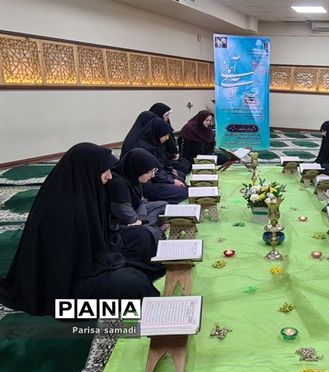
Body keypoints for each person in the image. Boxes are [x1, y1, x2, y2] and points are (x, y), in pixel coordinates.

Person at [0, 143, 161, 316]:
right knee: (134, 285)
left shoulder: (86, 193)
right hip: (70, 280)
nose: (109, 176)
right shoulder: (64, 211)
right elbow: (67, 265)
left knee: (142, 237)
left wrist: (111, 253)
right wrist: (109, 262)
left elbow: (103, 235)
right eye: (105, 171)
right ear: (89, 171)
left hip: (95, 256)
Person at [107, 148, 168, 242]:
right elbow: (127, 217)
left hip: (136, 213)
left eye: (153, 171)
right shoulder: (118, 185)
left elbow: (141, 201)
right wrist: (140, 221)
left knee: (164, 205)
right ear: (138, 168)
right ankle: (151, 228)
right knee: (152, 234)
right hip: (123, 223)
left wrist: (142, 220)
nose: (153, 175)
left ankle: (149, 226)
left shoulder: (133, 176)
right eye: (149, 172)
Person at [133, 118, 188, 204]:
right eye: (165, 135)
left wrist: (170, 171)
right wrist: (171, 181)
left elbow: (161, 164)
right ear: (157, 133)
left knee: (180, 177)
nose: (167, 138)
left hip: (158, 178)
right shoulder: (144, 148)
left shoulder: (154, 144)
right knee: (183, 192)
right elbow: (153, 173)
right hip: (149, 184)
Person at [149, 102, 191, 174]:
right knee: (182, 168)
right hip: (163, 160)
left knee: (188, 164)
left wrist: (176, 153)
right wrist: (171, 156)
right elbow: (159, 150)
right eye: (166, 115)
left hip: (171, 156)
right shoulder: (153, 131)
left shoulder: (166, 125)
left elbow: (171, 143)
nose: (168, 118)